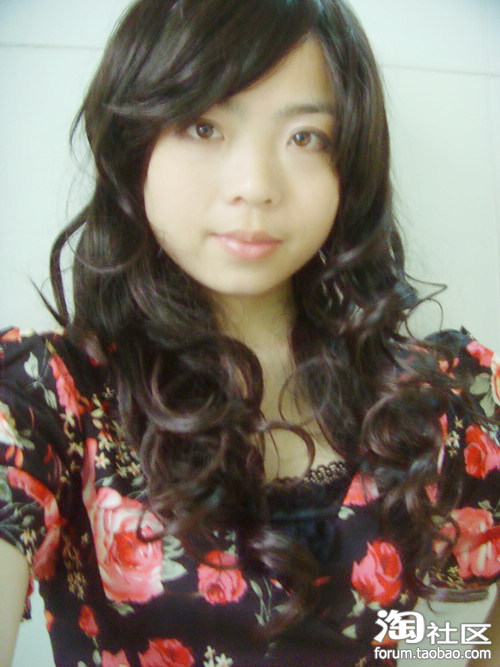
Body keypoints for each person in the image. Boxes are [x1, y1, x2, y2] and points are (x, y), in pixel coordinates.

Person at [0, 0, 498, 665]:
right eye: (203, 126)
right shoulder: (47, 400)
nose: (255, 186)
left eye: (306, 138)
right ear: (134, 140)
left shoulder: (443, 399)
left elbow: (422, 633)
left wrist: (425, 648)